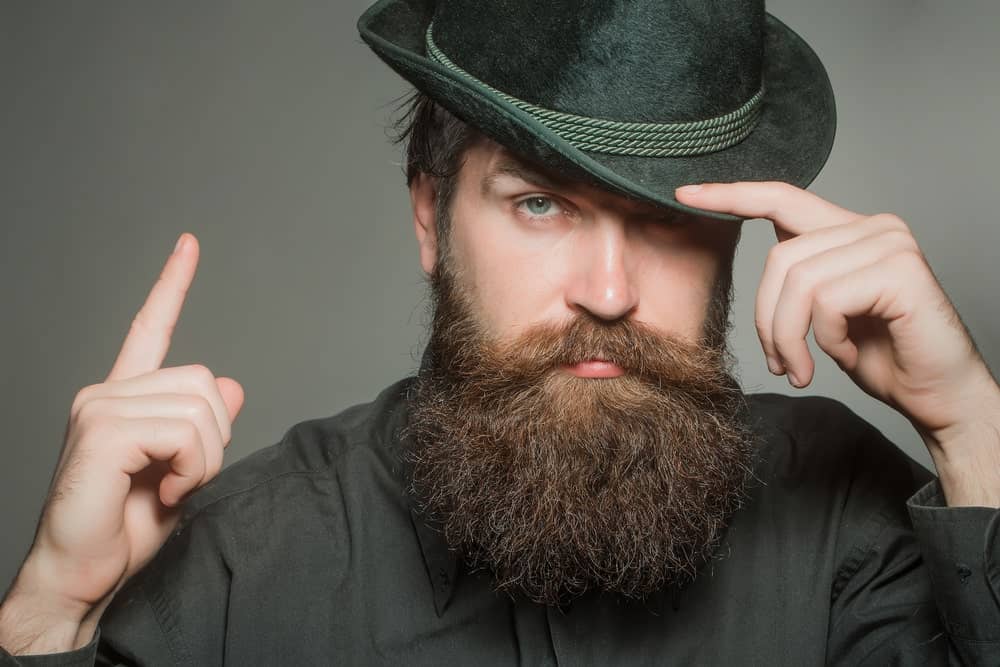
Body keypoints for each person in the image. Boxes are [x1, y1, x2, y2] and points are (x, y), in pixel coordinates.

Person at [2, 0, 999, 663]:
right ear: (429, 219)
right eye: (538, 205)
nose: (607, 290)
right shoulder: (240, 569)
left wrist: (971, 430)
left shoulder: (842, 530)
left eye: (665, 218)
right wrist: (53, 613)